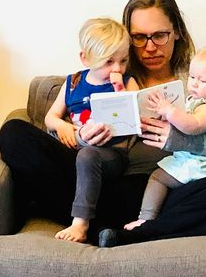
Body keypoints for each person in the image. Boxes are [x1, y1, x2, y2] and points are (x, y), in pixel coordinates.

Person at [0, 0, 206, 246]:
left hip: (169, 193)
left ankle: (138, 231)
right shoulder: (106, 78)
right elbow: (63, 127)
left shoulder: (200, 81)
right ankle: (94, 222)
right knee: (14, 133)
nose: (150, 47)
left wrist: (182, 138)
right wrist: (82, 137)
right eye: (139, 37)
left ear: (177, 32)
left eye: (159, 35)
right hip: (100, 186)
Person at [40, 17, 136, 243]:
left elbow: (135, 117)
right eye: (109, 62)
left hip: (111, 155)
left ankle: (80, 223)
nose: (117, 68)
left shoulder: (128, 81)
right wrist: (62, 124)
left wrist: (120, 91)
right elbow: (49, 117)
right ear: (85, 58)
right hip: (74, 151)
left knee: (88, 154)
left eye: (123, 60)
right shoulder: (73, 82)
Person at [127, 43, 206, 230]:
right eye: (192, 77)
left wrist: (170, 110)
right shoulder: (195, 100)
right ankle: (147, 219)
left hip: (202, 165)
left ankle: (147, 218)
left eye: (202, 81)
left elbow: (193, 125)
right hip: (188, 159)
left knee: (158, 178)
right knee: (157, 176)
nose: (194, 84)